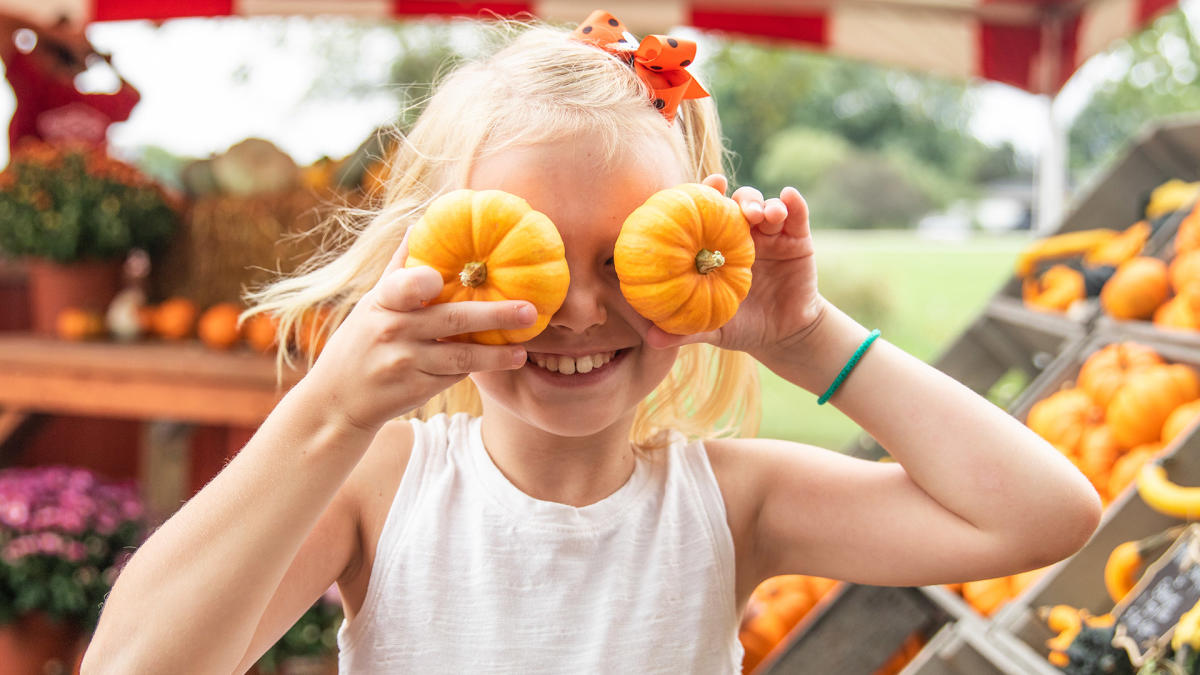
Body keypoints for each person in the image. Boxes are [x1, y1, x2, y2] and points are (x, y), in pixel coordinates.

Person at [82, 11, 1101, 674]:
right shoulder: (380, 486)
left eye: (627, 257)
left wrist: (804, 337)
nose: (577, 309)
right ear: (434, 260)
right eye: (521, 257)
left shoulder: (731, 501)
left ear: (702, 259)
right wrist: (332, 410)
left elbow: (1041, 518)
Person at [0, 12, 140, 153]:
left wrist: (54, 36)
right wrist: (57, 36)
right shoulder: (34, 86)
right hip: (30, 173)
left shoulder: (34, 86)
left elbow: (133, 96)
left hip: (78, 173)